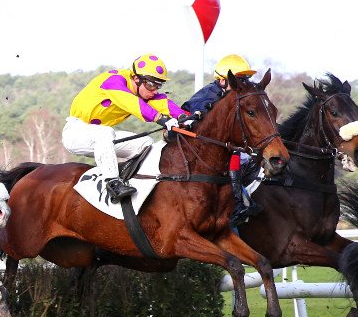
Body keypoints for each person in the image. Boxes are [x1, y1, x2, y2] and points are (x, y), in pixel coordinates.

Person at [63, 54, 184, 201]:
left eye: (158, 86)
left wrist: (185, 117)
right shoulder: (114, 80)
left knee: (146, 143)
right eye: (151, 85)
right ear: (136, 78)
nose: (155, 91)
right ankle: (112, 183)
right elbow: (132, 104)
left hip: (101, 138)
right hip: (76, 133)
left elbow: (163, 103)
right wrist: (161, 119)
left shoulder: (141, 90)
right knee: (106, 133)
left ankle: (130, 180)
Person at [182, 54, 264, 227]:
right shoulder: (205, 97)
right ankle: (237, 204)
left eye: (246, 80)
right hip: (196, 152)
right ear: (222, 81)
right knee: (234, 154)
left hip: (219, 150)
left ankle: (244, 198)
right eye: (239, 80)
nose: (243, 84)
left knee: (251, 160)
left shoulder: (232, 96)